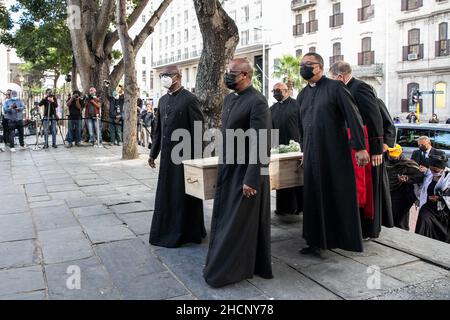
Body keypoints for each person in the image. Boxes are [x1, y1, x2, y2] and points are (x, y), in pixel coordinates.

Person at [203, 58, 273, 288]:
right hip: (229, 169)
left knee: (236, 223)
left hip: (246, 173)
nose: (227, 75)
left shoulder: (257, 102)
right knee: (227, 219)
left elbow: (261, 143)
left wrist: (252, 179)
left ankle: (227, 270)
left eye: (231, 72)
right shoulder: (230, 99)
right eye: (226, 71)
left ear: (245, 75)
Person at [296, 53, 370, 254]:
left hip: (334, 153)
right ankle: (315, 240)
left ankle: (343, 239)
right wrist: (304, 151)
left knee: (335, 195)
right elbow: (302, 127)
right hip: (312, 154)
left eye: (307, 64)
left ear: (319, 67)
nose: (303, 67)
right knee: (313, 197)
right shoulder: (302, 95)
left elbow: (353, 116)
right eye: (301, 64)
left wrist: (360, 147)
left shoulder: (336, 87)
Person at [330, 61, 394, 239]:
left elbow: (374, 119)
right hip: (353, 147)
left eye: (332, 78)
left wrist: (375, 149)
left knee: (369, 192)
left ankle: (368, 229)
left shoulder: (360, 88)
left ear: (339, 76)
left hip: (367, 149)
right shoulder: (346, 89)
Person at [148, 65, 206, 248]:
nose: (164, 77)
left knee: (183, 196)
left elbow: (198, 130)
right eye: (162, 75)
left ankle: (187, 232)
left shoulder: (190, 99)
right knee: (167, 195)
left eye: (167, 75)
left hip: (185, 158)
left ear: (178, 77)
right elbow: (158, 129)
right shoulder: (163, 101)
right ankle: (166, 229)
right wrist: (153, 153)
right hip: (167, 158)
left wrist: (196, 161)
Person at [270, 82, 303, 216]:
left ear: (287, 91)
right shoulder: (271, 109)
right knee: (281, 179)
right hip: (279, 150)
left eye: (278, 90)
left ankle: (299, 207)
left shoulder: (297, 105)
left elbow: (302, 125)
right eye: (274, 91)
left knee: (296, 178)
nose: (276, 93)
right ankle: (283, 208)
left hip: (295, 148)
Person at [386, 144, 424, 230]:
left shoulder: (408, 164)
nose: (393, 158)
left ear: (400, 153)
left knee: (400, 218)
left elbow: (419, 176)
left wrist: (407, 178)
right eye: (391, 156)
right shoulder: (385, 161)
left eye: (395, 156)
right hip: (388, 192)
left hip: (402, 194)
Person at [415, 154, 450, 243]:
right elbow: (420, 185)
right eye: (431, 169)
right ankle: (420, 243)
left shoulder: (448, 177)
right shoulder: (429, 174)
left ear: (442, 168)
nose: (433, 171)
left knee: (444, 235)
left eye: (435, 170)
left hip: (444, 211)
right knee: (423, 219)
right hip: (429, 208)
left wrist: (439, 198)